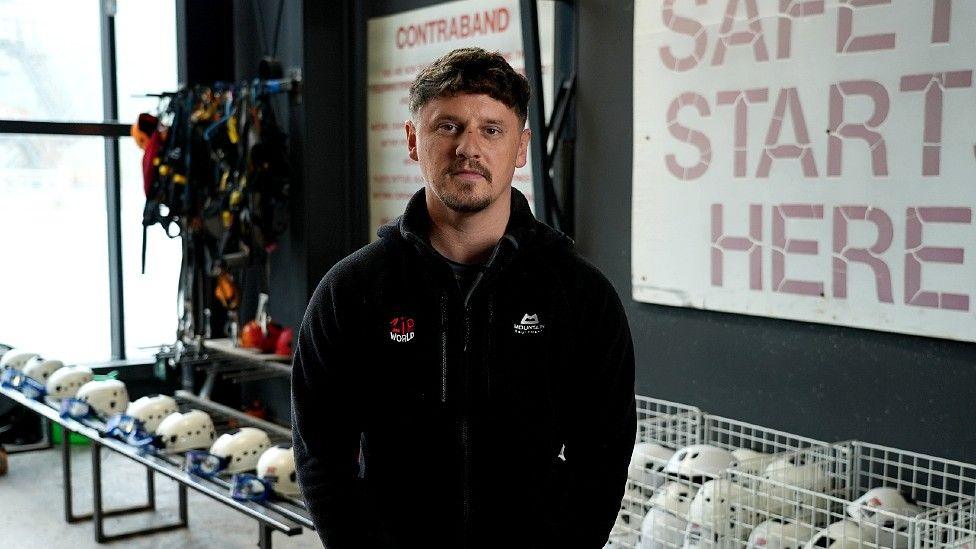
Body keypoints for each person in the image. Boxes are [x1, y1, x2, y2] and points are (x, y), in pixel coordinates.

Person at [291, 47, 636, 548]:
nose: (468, 148)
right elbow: (320, 449)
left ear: (521, 148)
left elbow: (603, 453)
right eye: (447, 126)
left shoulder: (580, 295)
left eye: (491, 130)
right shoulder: (353, 291)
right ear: (413, 140)